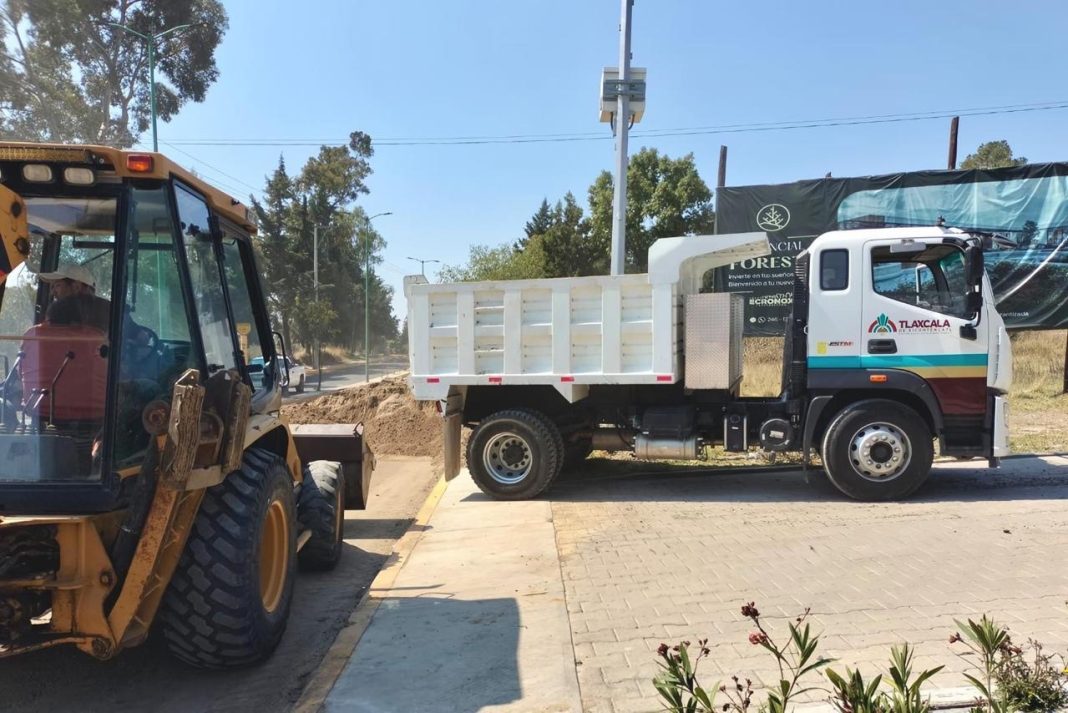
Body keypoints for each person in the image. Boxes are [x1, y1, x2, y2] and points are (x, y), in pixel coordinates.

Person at [36, 264, 110, 331]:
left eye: (57, 285)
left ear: (76, 287)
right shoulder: (111, 311)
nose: (52, 293)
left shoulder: (58, 311)